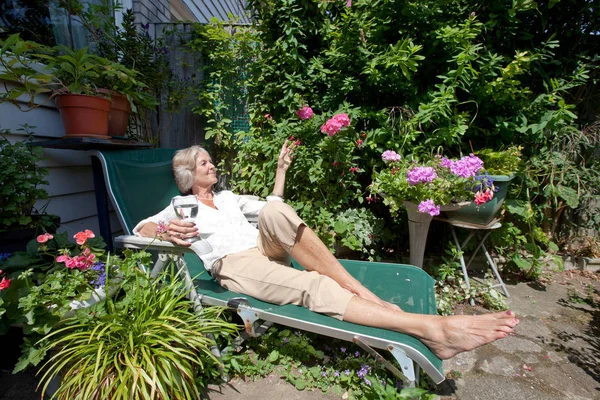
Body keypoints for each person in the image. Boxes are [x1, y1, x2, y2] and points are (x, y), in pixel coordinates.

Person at [134, 141, 519, 360]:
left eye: (210, 160)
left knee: (272, 209)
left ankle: (361, 292)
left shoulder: (229, 197)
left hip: (265, 249)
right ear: (188, 174)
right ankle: (430, 330)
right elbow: (140, 228)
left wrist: (281, 168)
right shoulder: (181, 206)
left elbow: (275, 207)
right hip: (234, 265)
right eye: (204, 162)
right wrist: (166, 229)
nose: (212, 164)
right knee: (312, 286)